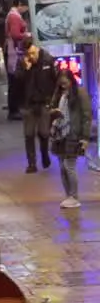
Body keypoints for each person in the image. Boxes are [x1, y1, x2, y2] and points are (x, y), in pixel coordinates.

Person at [50, 69, 91, 208]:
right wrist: (53, 112)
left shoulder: (80, 93)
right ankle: (69, 195)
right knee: (62, 167)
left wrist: (85, 138)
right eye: (61, 83)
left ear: (70, 80)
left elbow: (86, 116)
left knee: (69, 166)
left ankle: (74, 196)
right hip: (60, 135)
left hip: (73, 135)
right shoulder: (58, 94)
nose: (63, 85)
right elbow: (51, 109)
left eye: (65, 82)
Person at [21, 43, 57, 173]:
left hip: (44, 102)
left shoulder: (48, 60)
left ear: (37, 49)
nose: (31, 56)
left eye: (33, 53)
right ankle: (31, 163)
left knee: (44, 133)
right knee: (29, 134)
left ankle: (44, 155)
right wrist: (26, 69)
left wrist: (53, 100)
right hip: (29, 103)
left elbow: (55, 80)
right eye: (28, 54)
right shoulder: (24, 63)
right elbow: (16, 82)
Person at [4, 0, 30, 120]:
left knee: (13, 81)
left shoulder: (12, 15)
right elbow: (15, 34)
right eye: (25, 6)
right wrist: (26, 35)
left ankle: (14, 108)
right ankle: (13, 110)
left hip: (12, 50)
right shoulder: (14, 16)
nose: (26, 9)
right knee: (14, 81)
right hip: (13, 52)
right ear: (19, 4)